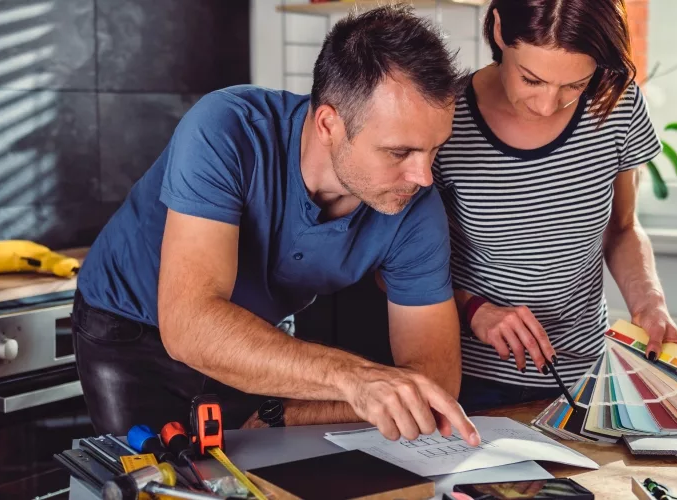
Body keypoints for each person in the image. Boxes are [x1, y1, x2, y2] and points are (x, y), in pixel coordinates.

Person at [72, 5, 480, 446]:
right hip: (129, 326)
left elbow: (433, 380)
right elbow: (189, 325)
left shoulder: (416, 207)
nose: (423, 176)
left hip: (253, 336)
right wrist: (354, 378)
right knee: (155, 482)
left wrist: (292, 411)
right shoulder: (225, 129)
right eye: (399, 152)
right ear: (329, 124)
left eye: (435, 148)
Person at [433, 0, 677, 412]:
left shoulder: (615, 104)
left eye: (574, 85)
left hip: (584, 376)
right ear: (499, 30)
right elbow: (394, 264)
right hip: (469, 379)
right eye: (531, 79)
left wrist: (649, 302)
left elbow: (622, 228)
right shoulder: (445, 116)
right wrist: (476, 310)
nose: (548, 105)